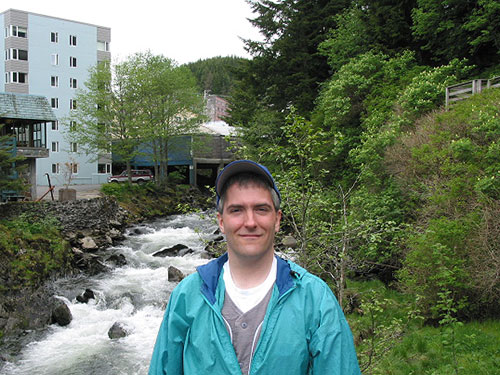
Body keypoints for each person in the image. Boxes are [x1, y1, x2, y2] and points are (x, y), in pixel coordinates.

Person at [148, 160, 361, 375]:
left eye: (261, 209)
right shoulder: (187, 296)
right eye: (237, 210)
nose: (250, 222)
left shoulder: (316, 300)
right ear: (221, 222)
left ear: (277, 220)